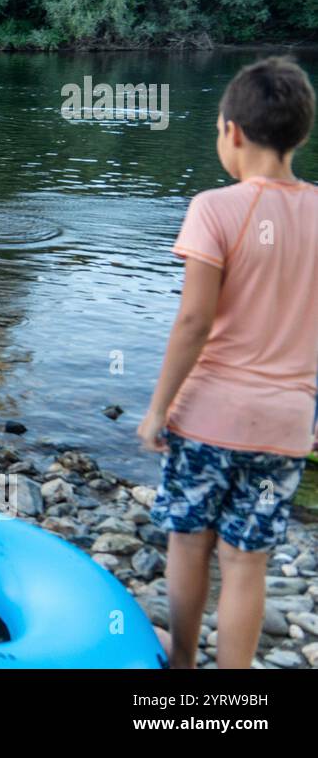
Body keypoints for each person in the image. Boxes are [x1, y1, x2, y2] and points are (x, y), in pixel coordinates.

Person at [137, 55, 318, 669]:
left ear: (232, 133)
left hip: (210, 419)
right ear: (301, 134)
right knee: (247, 561)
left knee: (189, 543)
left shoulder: (215, 209)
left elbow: (193, 322)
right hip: (285, 428)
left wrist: (158, 409)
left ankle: (184, 668)